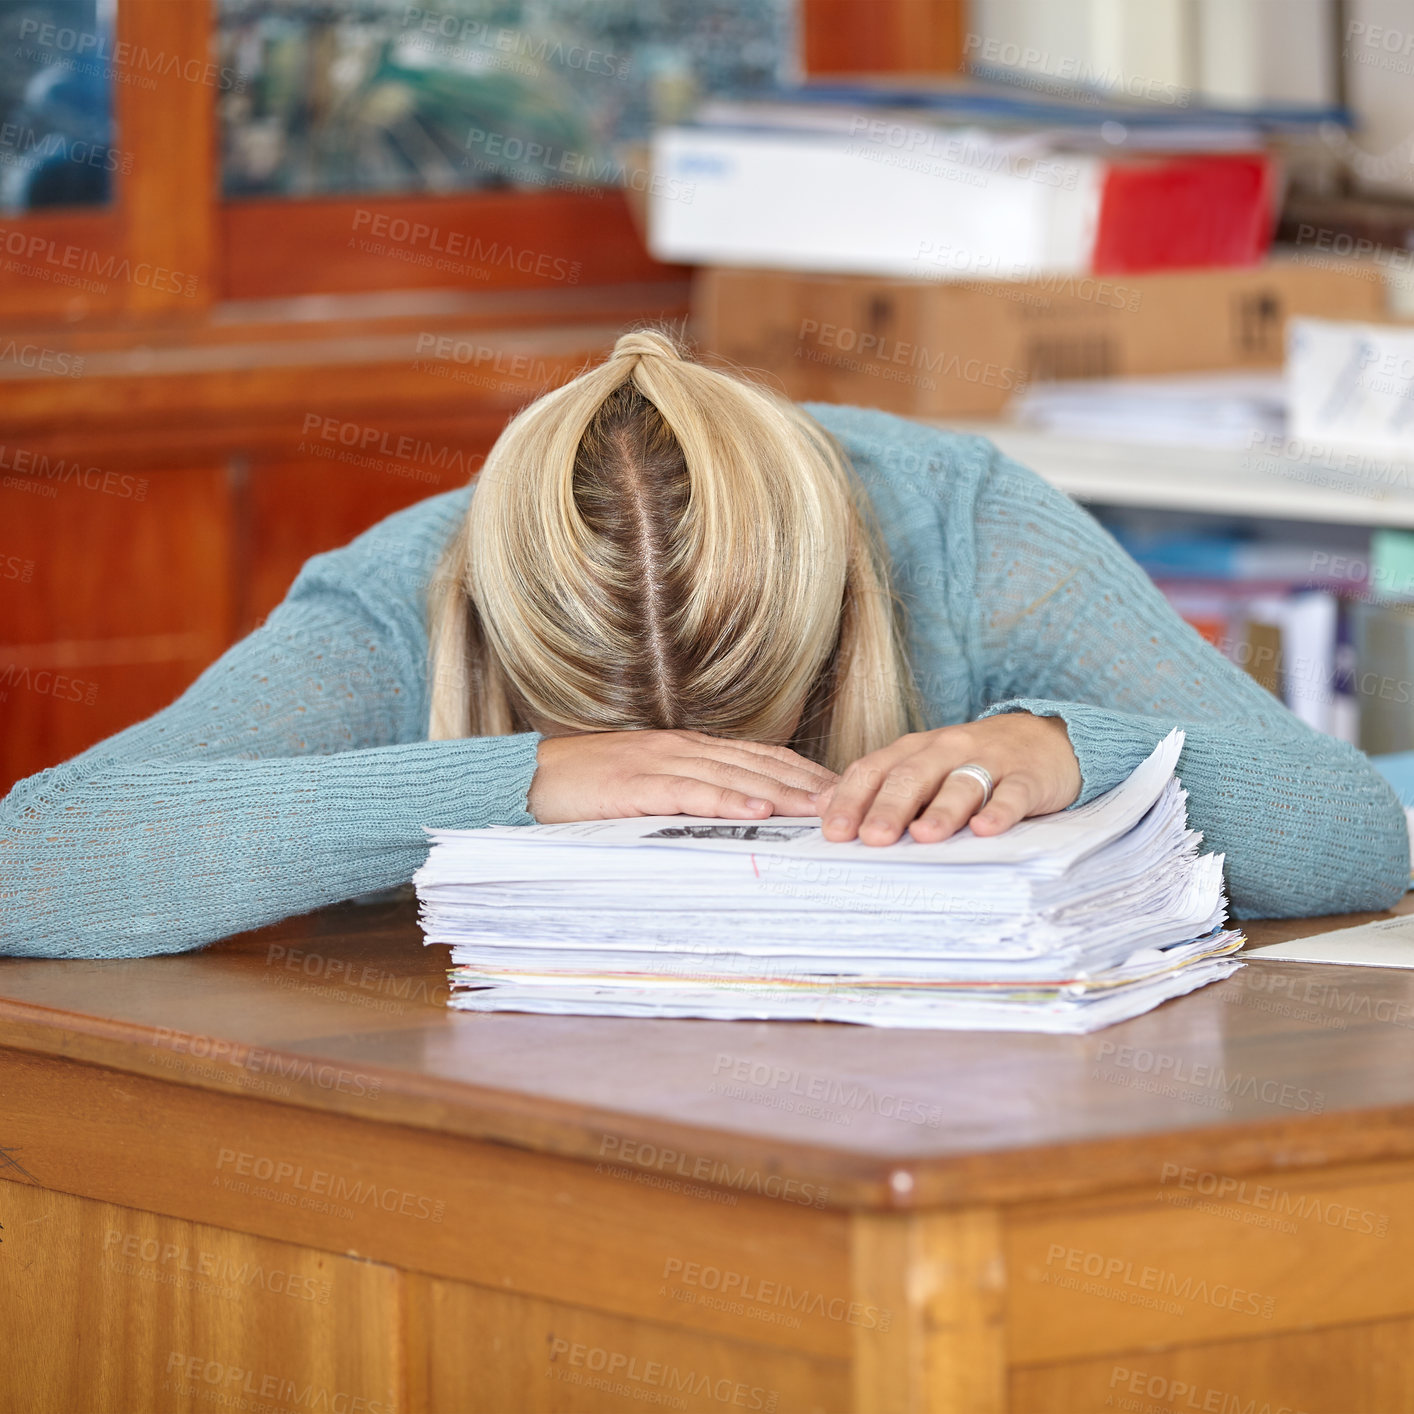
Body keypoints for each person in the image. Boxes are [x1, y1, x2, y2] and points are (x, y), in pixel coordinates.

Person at [1, 328, 1407, 958]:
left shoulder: (960, 530)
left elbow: (1359, 831)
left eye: (765, 724)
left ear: (846, 593)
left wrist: (1060, 751)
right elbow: (34, 861)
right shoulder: (412, 586)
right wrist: (516, 779)